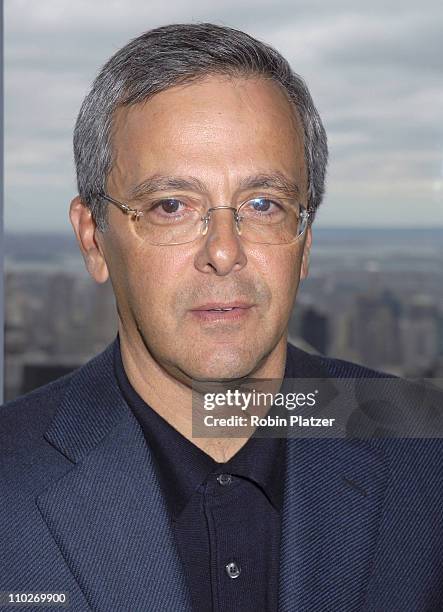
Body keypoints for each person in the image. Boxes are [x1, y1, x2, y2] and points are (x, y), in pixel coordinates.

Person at [1, 23, 442, 612]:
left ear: (304, 242)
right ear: (93, 240)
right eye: (171, 206)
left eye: (265, 205)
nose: (225, 251)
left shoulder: (425, 446)